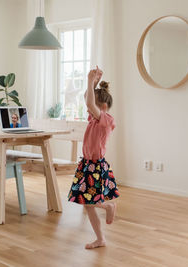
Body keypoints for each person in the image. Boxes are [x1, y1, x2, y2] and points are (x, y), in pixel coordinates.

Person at [67, 66, 119, 249]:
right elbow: (87, 101)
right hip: (86, 164)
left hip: (95, 166)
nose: (88, 110)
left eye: (93, 107)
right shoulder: (94, 119)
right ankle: (100, 238)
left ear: (103, 107)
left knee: (89, 203)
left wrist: (90, 81)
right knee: (87, 204)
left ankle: (107, 208)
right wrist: (93, 83)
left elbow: (90, 104)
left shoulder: (106, 121)